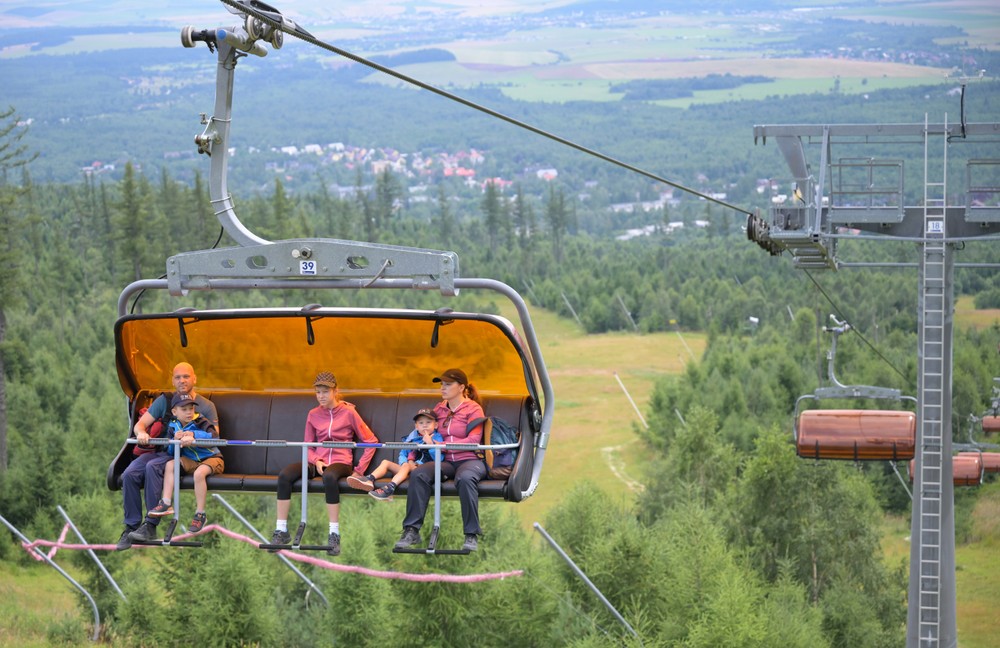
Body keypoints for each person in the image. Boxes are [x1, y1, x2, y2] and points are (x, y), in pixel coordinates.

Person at [267, 372, 379, 556]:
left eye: (325, 392)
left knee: (328, 477)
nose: (321, 396)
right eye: (318, 392)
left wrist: (359, 471)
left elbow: (371, 441)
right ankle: (281, 530)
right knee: (285, 475)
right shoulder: (313, 414)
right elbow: (308, 445)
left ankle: (334, 533)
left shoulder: (349, 412)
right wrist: (316, 460)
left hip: (341, 462)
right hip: (318, 461)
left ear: (336, 391)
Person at [117, 362, 219, 550]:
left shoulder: (205, 406)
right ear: (172, 380)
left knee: (153, 467)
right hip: (161, 449)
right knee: (129, 474)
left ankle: (150, 524)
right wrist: (141, 434)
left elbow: (214, 437)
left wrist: (192, 437)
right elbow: (141, 425)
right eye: (178, 377)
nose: (182, 381)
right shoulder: (165, 401)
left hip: (180, 454)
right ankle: (131, 526)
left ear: (194, 379)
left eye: (186, 377)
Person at [395, 368, 486, 552]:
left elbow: (473, 440)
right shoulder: (439, 408)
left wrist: (442, 443)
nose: (443, 388)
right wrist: (413, 454)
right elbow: (426, 432)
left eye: (448, 384)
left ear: (461, 387)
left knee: (466, 479)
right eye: (441, 384)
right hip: (444, 460)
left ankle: (471, 534)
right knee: (419, 474)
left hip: (468, 459)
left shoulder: (473, 409)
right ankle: (411, 530)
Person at [144, 393, 224, 533]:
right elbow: (169, 452)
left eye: (191, 409)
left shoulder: (201, 421)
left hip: (212, 458)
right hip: (191, 461)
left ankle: (200, 513)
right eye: (184, 409)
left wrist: (194, 436)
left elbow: (214, 436)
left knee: (199, 474)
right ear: (174, 412)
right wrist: (175, 441)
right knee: (170, 464)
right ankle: (166, 502)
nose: (189, 412)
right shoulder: (172, 427)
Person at [347, 407, 443, 502]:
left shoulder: (437, 438)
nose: (425, 425)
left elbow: (439, 458)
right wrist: (404, 463)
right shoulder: (411, 438)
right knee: (386, 462)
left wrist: (430, 444)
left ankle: (390, 488)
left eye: (428, 422)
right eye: (421, 423)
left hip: (423, 471)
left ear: (436, 425)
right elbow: (403, 453)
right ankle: (369, 479)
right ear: (416, 426)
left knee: (406, 466)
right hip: (407, 470)